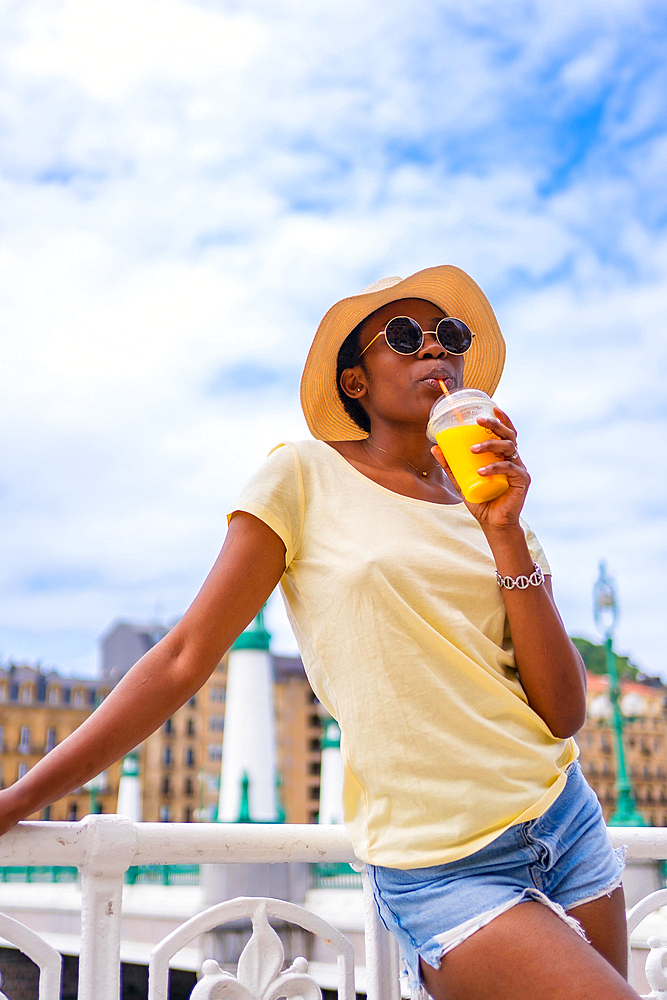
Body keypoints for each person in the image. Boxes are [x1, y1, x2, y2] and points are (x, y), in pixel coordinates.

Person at [0, 265, 637, 1000]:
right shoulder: (300, 476)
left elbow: (561, 712)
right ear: (354, 383)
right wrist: (21, 798)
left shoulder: (497, 507)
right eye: (404, 336)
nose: (435, 351)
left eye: (449, 338)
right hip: (445, 864)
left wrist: (501, 532)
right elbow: (181, 659)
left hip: (566, 820)